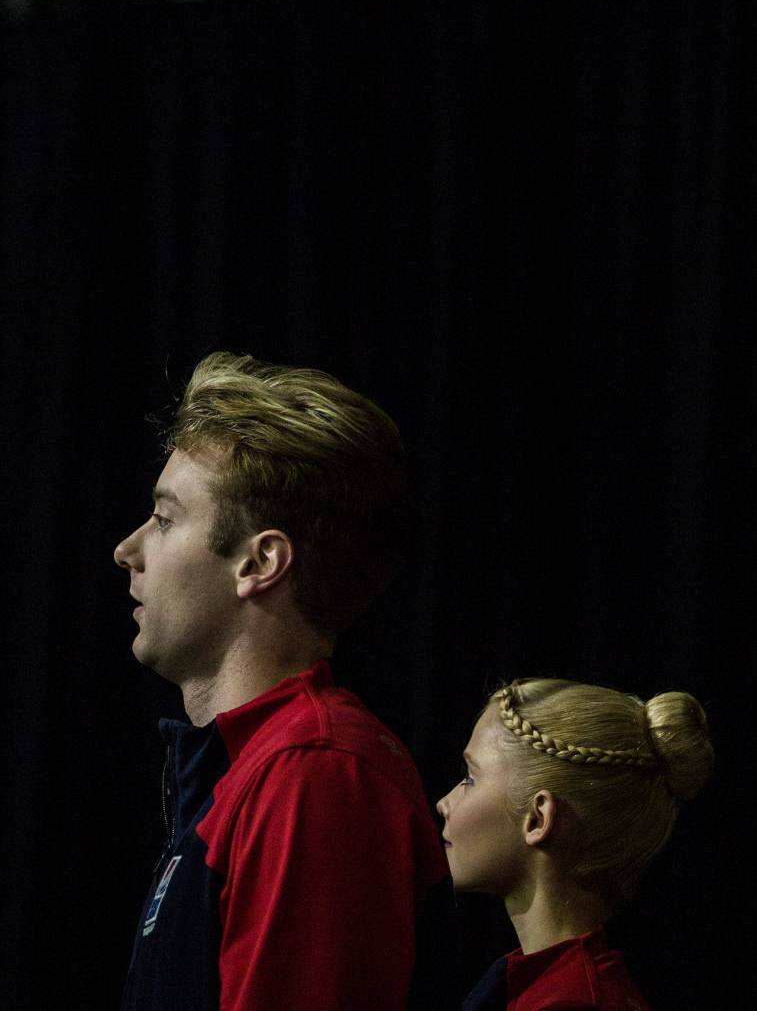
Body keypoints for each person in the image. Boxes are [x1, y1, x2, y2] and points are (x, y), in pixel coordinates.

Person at [114, 351, 457, 1011]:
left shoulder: (316, 773)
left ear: (259, 560)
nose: (127, 549)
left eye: (164, 518)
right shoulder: (252, 773)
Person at [437, 677, 714, 1011]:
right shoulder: (546, 986)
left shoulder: (570, 1002)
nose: (443, 802)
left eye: (470, 777)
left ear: (538, 818)